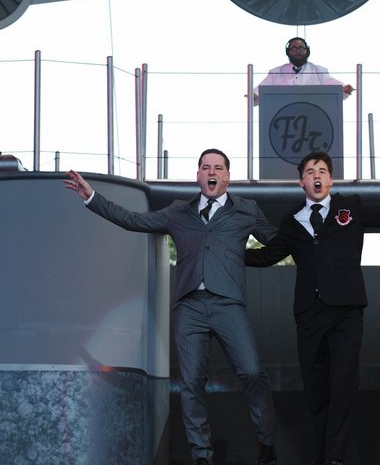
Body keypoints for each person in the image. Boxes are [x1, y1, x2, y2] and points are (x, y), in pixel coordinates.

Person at [64, 149, 278, 465]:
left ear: (227, 176)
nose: (212, 172)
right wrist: (92, 198)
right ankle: (201, 455)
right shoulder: (179, 212)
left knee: (253, 371)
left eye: (218, 167)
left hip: (228, 304)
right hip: (189, 306)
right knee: (191, 382)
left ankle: (266, 441)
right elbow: (133, 220)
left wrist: (243, 259)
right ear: (198, 175)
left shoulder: (247, 210)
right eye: (205, 167)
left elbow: (278, 243)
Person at [245, 150, 380, 465]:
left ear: (330, 180)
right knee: (316, 391)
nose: (316, 176)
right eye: (310, 172)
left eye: (322, 171)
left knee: (343, 385)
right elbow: (266, 256)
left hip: (346, 312)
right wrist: (226, 252)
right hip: (309, 315)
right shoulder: (291, 222)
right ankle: (323, 455)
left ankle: (335, 458)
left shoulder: (350, 209)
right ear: (302, 182)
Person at [253, 38, 354, 103]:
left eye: (301, 48)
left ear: (307, 51)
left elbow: (331, 83)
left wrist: (343, 88)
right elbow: (261, 88)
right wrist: (254, 95)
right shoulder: (276, 72)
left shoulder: (319, 70)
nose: (298, 51)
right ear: (288, 52)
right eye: (294, 48)